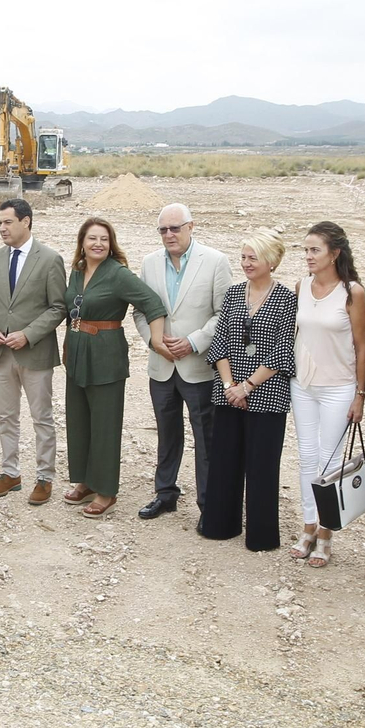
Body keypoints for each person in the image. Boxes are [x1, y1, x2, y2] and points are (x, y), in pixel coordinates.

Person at [200, 228, 298, 551]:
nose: (245, 263)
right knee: (224, 461)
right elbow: (221, 341)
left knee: (262, 467)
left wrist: (248, 386)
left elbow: (283, 350)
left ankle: (261, 536)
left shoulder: (286, 299)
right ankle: (220, 526)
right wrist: (230, 386)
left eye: (252, 257)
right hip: (228, 392)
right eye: (243, 257)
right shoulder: (232, 294)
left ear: (271, 260)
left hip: (267, 394)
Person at [62, 218, 167, 517]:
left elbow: (152, 303)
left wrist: (156, 341)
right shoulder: (77, 271)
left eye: (104, 239)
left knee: (105, 425)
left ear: (111, 244)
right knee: (79, 419)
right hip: (77, 353)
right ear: (82, 242)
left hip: (106, 355)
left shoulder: (118, 274)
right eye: (92, 238)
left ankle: (106, 491)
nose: (98, 244)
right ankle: (85, 481)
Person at [133, 203, 231, 521]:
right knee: (166, 432)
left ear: (191, 226)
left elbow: (224, 314)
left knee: (206, 436)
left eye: (175, 228)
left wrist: (193, 342)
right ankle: (166, 494)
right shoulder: (149, 263)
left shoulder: (216, 262)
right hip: (161, 366)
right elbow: (140, 311)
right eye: (163, 229)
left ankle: (208, 503)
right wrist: (154, 341)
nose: (169, 234)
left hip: (198, 366)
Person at [289, 221, 365, 569]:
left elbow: (362, 346)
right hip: (303, 384)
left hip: (339, 386)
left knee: (329, 461)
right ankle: (308, 526)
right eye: (305, 250)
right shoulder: (301, 286)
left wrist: (361, 394)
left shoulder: (353, 292)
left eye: (314, 250)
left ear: (334, 253)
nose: (307, 256)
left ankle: (326, 531)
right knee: (307, 457)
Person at [0, 197, 68, 505]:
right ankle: (10, 473)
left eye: (7, 222)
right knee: (7, 416)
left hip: (35, 353)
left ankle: (44, 477)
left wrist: (28, 335)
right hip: (1, 354)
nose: (1, 228)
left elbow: (58, 308)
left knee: (42, 417)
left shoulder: (50, 259)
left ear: (26, 222)